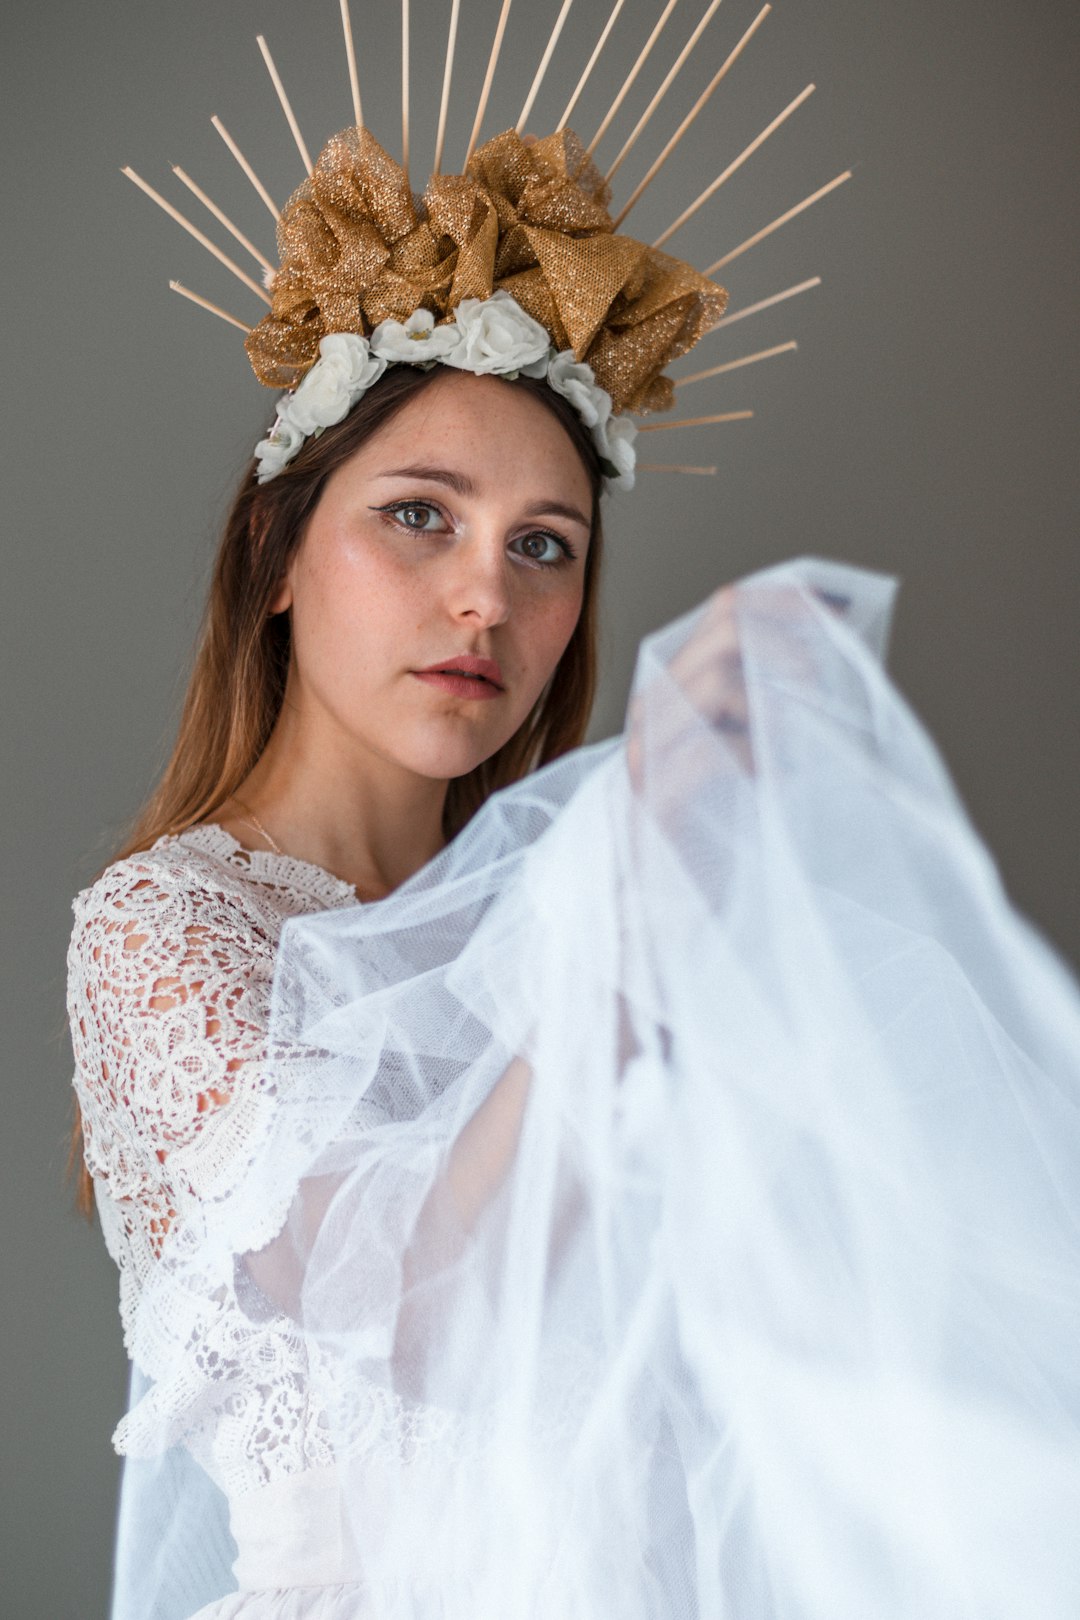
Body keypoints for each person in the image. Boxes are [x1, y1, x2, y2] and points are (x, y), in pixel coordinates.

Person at [67, 23, 1080, 1620]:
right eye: (420, 517)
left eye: (545, 546)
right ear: (273, 557)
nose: (487, 592)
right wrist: (626, 901)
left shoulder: (557, 907)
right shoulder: (166, 932)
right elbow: (403, 1303)